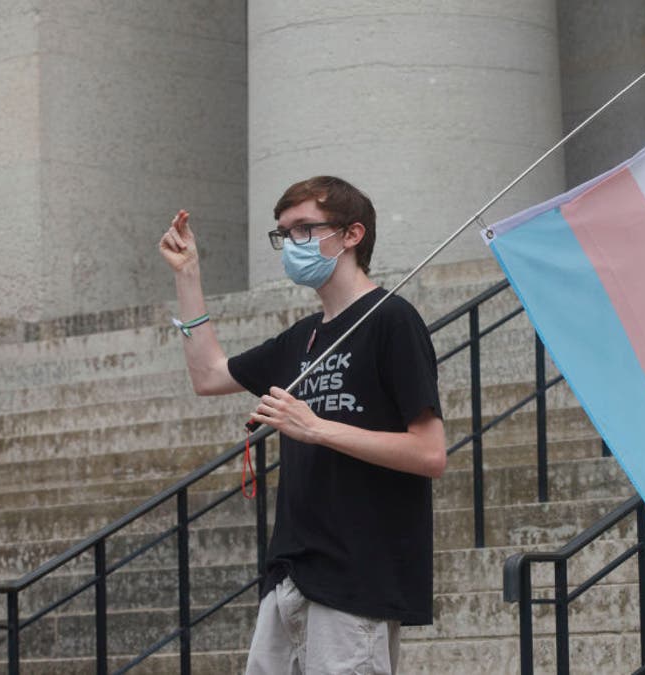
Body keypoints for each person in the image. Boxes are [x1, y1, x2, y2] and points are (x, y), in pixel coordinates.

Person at [158, 176, 446, 674]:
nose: (291, 245)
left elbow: (429, 453)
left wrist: (316, 428)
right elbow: (208, 375)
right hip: (290, 573)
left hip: (357, 578)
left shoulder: (391, 320)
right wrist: (188, 276)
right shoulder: (302, 338)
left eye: (304, 230)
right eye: (284, 233)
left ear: (351, 234)